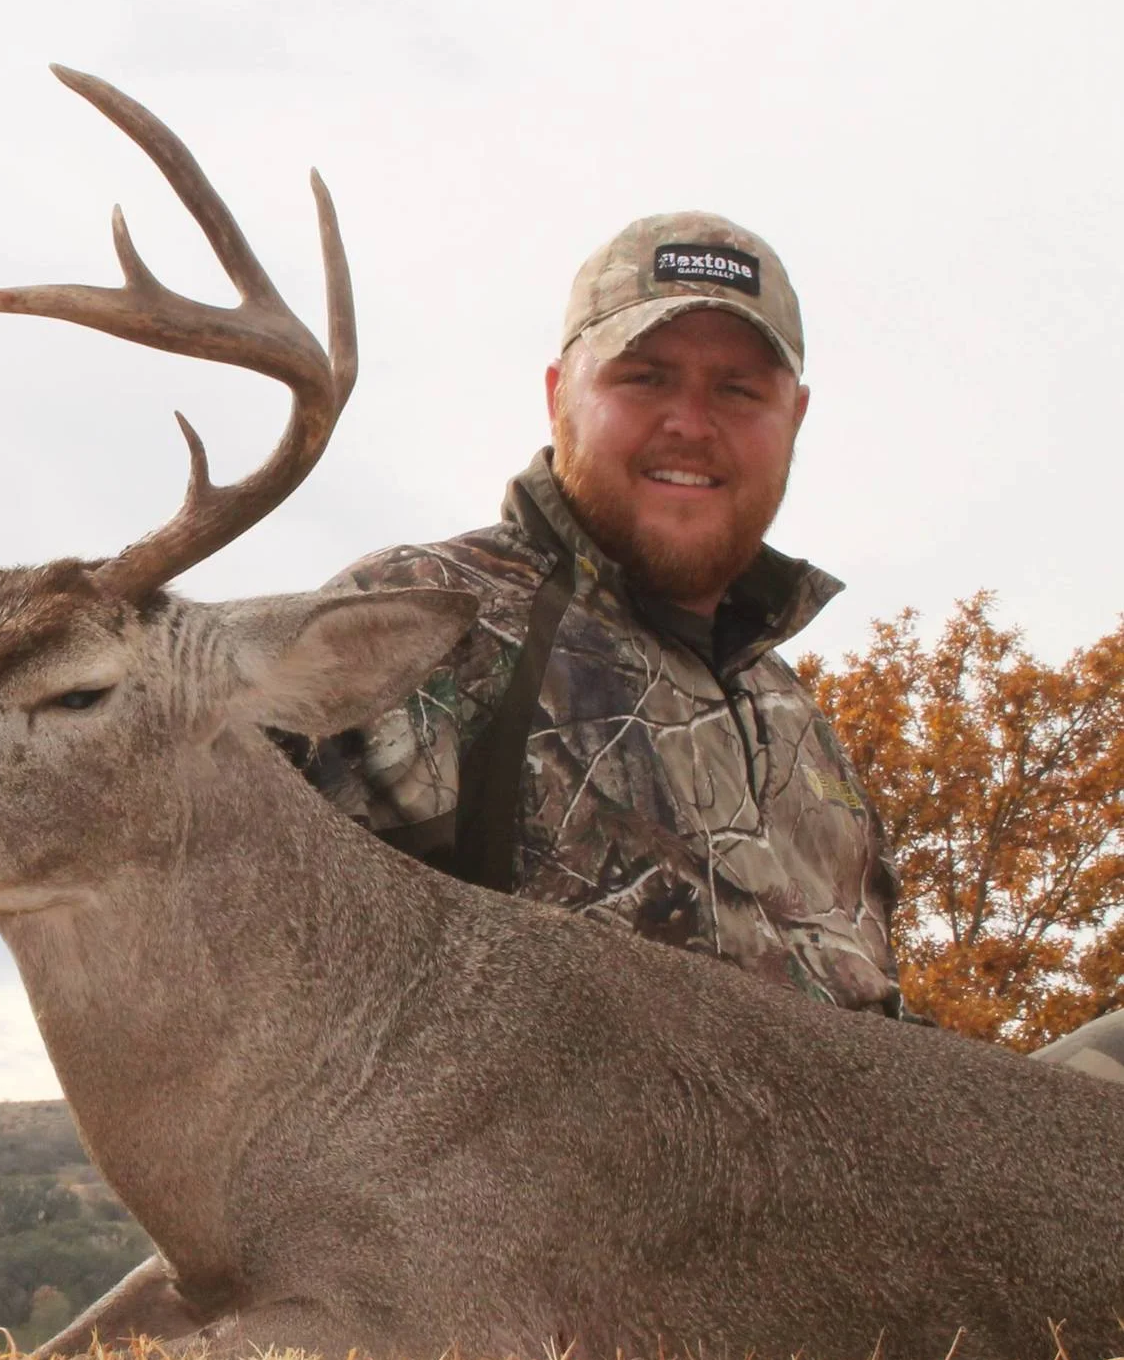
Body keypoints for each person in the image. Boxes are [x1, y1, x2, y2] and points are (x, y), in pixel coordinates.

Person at [294, 211, 910, 1016]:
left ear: (793, 419)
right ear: (560, 397)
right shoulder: (416, 623)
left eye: (738, 390)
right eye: (644, 377)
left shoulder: (796, 723)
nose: (690, 423)